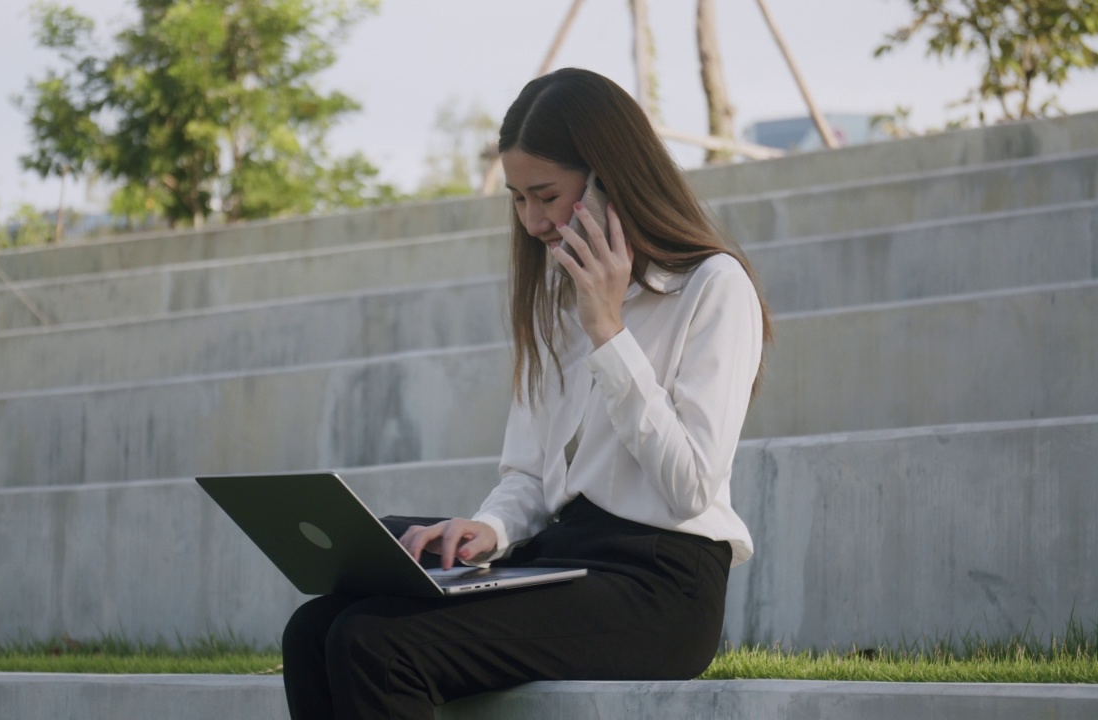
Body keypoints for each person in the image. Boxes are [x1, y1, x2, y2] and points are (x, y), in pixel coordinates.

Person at [281, 67, 772, 720]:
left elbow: (689, 487)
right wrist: (486, 530)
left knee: (375, 644)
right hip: (565, 559)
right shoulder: (552, 292)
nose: (533, 220)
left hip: (661, 586)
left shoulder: (713, 287)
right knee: (315, 629)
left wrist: (608, 333)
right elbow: (529, 476)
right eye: (516, 198)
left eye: (546, 195)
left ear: (607, 179)